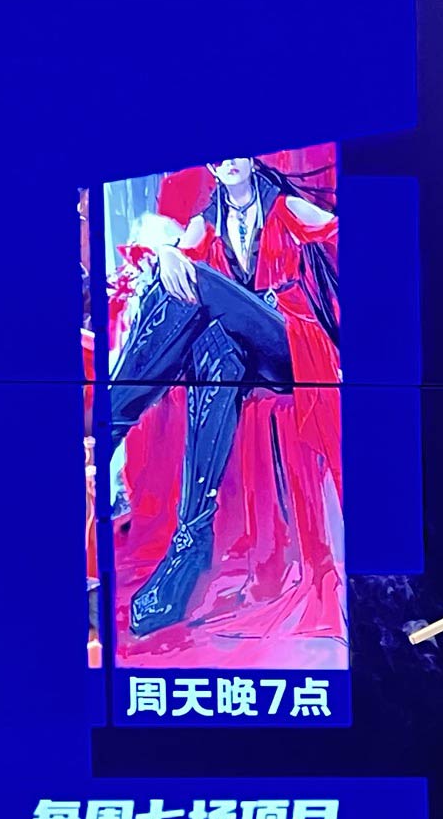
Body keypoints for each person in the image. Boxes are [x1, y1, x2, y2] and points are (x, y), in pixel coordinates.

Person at [108, 154, 343, 639]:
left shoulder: (286, 207)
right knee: (217, 355)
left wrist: (175, 258)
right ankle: (188, 548)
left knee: (192, 283)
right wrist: (168, 252)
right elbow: (172, 270)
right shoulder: (207, 220)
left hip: (292, 345)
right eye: (218, 157)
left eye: (237, 153)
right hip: (243, 354)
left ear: (253, 159)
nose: (228, 161)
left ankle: (107, 423)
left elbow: (348, 239)